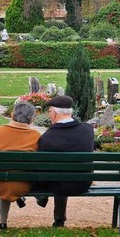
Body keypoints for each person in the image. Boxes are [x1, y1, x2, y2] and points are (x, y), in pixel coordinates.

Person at [35, 95, 95, 228]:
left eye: (49, 112)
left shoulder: (48, 137)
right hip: (83, 182)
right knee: (62, 174)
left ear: (55, 113)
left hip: (57, 185)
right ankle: (58, 219)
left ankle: (51, 209)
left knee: (57, 175)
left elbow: (41, 166)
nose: (49, 115)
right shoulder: (87, 131)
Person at [0, 101, 40, 229]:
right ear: (31, 119)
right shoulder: (35, 136)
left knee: (5, 175)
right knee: (13, 175)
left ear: (12, 115)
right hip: (24, 184)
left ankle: (2, 221)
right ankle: (14, 202)